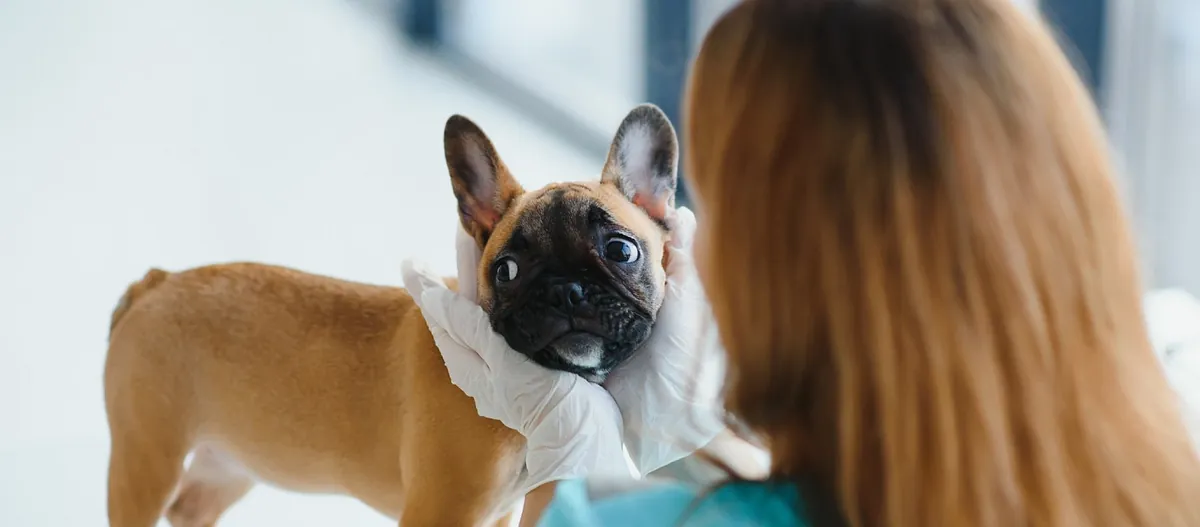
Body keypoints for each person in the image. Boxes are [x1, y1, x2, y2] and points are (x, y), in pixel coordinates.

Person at [403, 0, 1200, 525]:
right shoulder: (1167, 450)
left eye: (717, 201)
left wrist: (555, 447)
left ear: (782, 274)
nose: (692, 234)